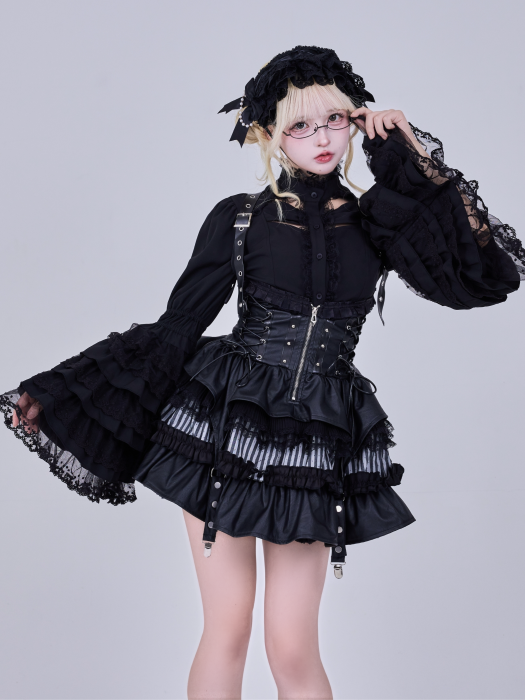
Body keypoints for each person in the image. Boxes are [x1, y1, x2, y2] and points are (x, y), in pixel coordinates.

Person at [1, 45, 523, 700]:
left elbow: (487, 277)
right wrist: (59, 392)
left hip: (315, 442)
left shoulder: (380, 223)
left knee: (292, 646)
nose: (321, 138)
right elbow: (176, 328)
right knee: (227, 629)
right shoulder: (241, 217)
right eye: (300, 125)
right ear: (269, 134)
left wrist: (413, 159)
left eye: (334, 119)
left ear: (354, 121)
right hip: (223, 428)